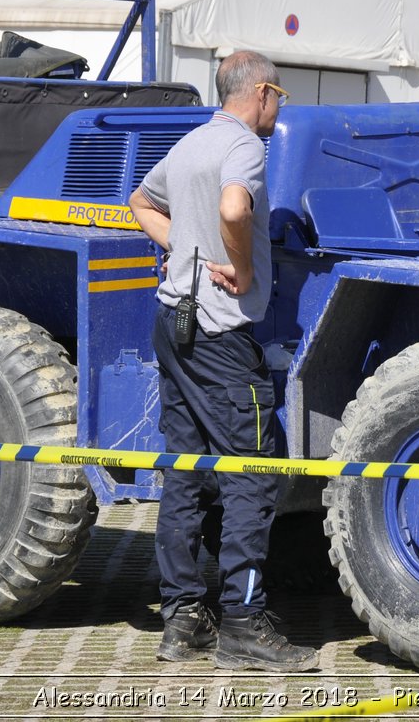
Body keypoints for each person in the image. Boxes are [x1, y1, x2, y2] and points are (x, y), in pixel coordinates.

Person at [129, 50, 316, 672]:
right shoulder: (243, 148)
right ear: (260, 92)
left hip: (173, 324)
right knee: (251, 472)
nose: (278, 108)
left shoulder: (189, 145)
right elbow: (236, 209)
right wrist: (238, 265)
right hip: (220, 332)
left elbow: (140, 201)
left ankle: (182, 618)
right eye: (279, 96)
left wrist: (183, 245)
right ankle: (243, 620)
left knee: (185, 470)